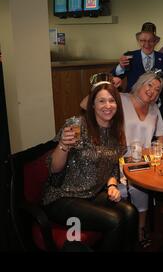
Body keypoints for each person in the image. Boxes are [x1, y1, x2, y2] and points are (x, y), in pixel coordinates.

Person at [42, 83, 138, 251]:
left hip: (91, 195)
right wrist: (63, 145)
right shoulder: (78, 125)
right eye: (101, 101)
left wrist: (112, 185)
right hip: (63, 197)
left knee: (130, 212)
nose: (107, 106)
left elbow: (113, 167)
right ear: (92, 105)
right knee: (114, 220)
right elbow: (54, 169)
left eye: (111, 100)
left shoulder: (116, 131)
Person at [80, 72, 163, 247]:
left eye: (157, 90)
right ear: (140, 84)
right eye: (149, 85)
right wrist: (106, 85)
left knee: (142, 185)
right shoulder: (121, 99)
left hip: (142, 163)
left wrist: (152, 150)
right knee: (125, 191)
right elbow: (84, 105)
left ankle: (140, 229)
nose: (152, 91)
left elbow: (162, 136)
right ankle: (119, 229)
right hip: (115, 160)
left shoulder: (154, 109)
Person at [112, 25, 163, 117]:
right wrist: (121, 66)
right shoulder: (129, 56)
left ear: (155, 42)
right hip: (132, 104)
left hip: (155, 105)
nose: (146, 44)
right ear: (138, 41)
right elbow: (114, 75)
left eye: (150, 40)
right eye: (143, 40)